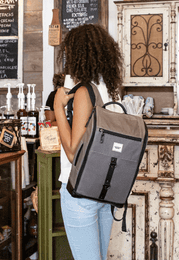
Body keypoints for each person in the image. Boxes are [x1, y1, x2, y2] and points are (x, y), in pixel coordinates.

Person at [54, 23, 123, 260]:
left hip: (80, 192)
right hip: (104, 190)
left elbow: (74, 153)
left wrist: (58, 107)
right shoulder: (111, 90)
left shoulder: (85, 92)